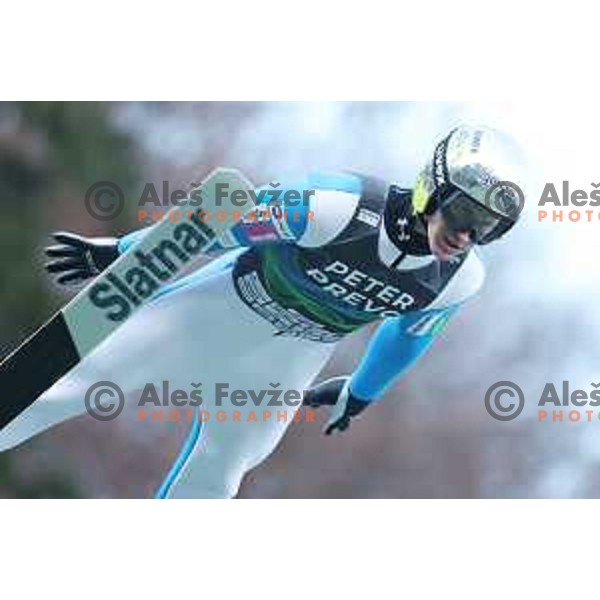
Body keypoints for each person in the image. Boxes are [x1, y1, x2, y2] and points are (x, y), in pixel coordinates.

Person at [0, 124, 527, 498]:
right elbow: (216, 225)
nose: (465, 236)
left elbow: (408, 337)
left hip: (287, 362)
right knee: (69, 387)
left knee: (218, 475)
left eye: (486, 229)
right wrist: (118, 251)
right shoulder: (334, 206)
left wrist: (360, 392)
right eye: (463, 214)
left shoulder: (459, 281)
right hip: (217, 310)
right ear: (432, 187)